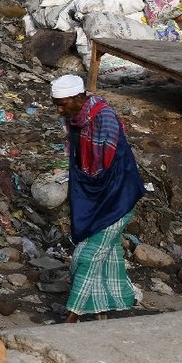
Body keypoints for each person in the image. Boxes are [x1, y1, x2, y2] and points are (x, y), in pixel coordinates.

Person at [51, 74, 145, 322]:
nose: (60, 110)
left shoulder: (105, 118)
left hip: (118, 196)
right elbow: (81, 162)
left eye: (63, 104)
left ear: (80, 97)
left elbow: (110, 166)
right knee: (107, 254)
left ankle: (73, 313)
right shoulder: (74, 120)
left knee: (88, 256)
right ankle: (105, 309)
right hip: (93, 196)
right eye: (56, 105)